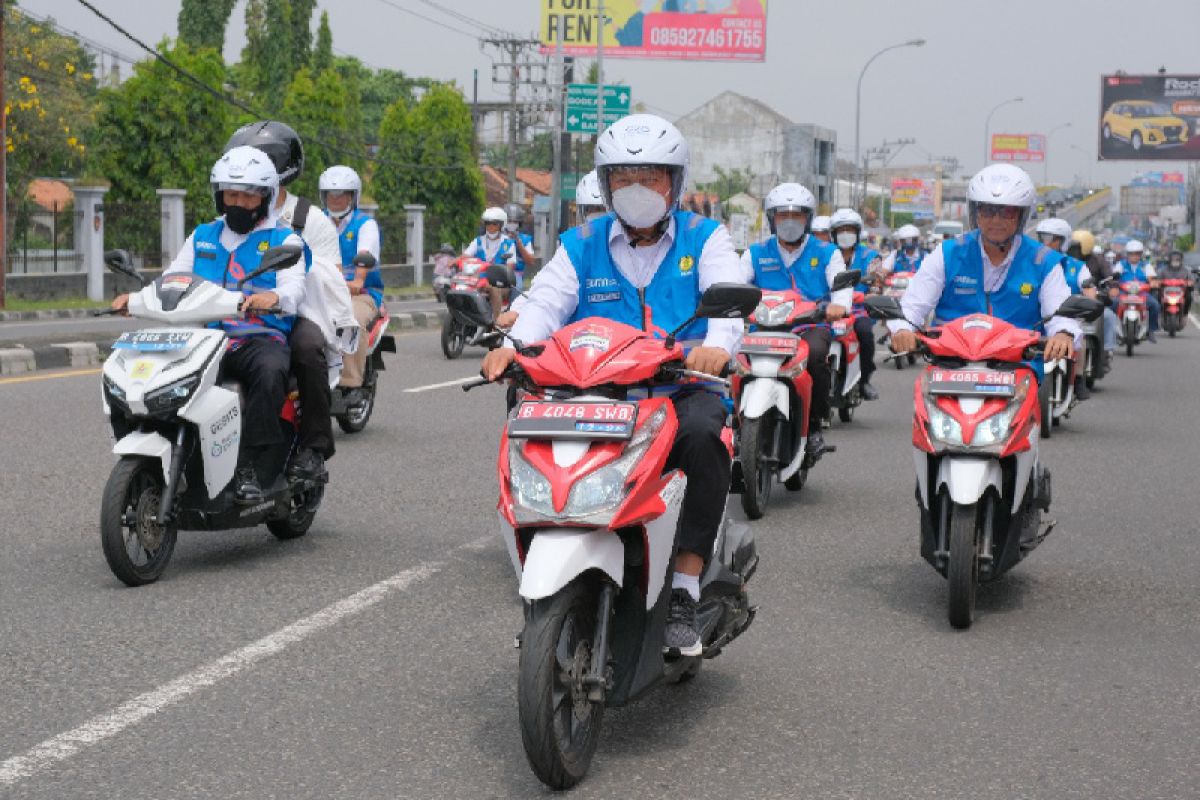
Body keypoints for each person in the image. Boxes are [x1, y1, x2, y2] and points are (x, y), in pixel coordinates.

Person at [481, 114, 747, 656]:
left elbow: (728, 297)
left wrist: (718, 345)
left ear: (674, 182)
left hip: (680, 388)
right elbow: (545, 302)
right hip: (598, 394)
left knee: (704, 435)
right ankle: (542, 594)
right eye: (624, 179)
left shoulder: (706, 238)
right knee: (527, 424)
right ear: (605, 185)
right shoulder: (581, 244)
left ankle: (684, 588)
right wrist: (514, 347)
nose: (638, 190)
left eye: (651, 177)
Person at [112, 147, 309, 503]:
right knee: (148, 375)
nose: (237, 202)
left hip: (256, 337)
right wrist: (137, 299)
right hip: (201, 337)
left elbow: (294, 289)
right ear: (219, 196)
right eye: (230, 194)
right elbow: (172, 278)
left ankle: (251, 466)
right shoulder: (202, 235)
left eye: (247, 195)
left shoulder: (284, 241)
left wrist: (274, 299)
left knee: (270, 371)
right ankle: (162, 456)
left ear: (264, 198)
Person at [223, 121, 354, 482]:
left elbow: (330, 281)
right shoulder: (229, 218)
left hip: (298, 311)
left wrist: (282, 292)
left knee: (309, 350)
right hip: (239, 314)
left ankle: (313, 448)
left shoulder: (309, 220)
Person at [888, 164, 1080, 370]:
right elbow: (913, 306)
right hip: (950, 366)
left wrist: (1062, 334)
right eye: (988, 210)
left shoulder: (1045, 261)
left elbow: (1059, 313)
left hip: (1016, 368)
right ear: (976, 213)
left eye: (1007, 212)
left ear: (1021, 216)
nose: (996, 220)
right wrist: (902, 329)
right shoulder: (947, 253)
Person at [740, 182, 846, 456]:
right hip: (763, 327)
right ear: (772, 220)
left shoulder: (827, 252)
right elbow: (735, 285)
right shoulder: (755, 253)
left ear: (808, 219)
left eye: (796, 216)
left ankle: (814, 426)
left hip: (808, 326)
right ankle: (734, 423)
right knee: (732, 360)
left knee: (816, 356)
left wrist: (839, 305)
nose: (789, 222)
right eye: (782, 215)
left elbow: (841, 286)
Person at [319, 165, 383, 403]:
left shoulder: (365, 225)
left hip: (359, 294)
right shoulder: (316, 222)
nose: (335, 200)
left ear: (353, 196)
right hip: (321, 292)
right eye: (330, 195)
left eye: (342, 195)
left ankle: (351, 382)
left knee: (352, 319)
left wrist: (358, 280)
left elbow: (365, 254)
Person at [1036, 218, 1093, 399]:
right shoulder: (1030, 263)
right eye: (1041, 238)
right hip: (1038, 318)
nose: (1045, 243)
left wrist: (1089, 300)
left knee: (1080, 341)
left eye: (1050, 238)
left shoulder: (1077, 267)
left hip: (1068, 317)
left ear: (1063, 241)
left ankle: (1078, 379)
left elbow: (1089, 290)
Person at [828, 208, 880, 400]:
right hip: (829, 309)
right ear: (833, 234)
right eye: (841, 230)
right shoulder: (825, 254)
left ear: (857, 233)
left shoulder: (870, 257)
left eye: (850, 229)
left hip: (857, 311)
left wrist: (866, 294)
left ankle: (864, 379)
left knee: (865, 335)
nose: (845, 234)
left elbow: (876, 283)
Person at [465, 207, 523, 318]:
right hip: (477, 280)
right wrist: (455, 261)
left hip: (500, 283)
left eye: (494, 224)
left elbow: (510, 266)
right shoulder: (478, 241)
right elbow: (466, 256)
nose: (490, 227)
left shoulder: (508, 243)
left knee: (494, 289)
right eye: (488, 223)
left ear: (501, 225)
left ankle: (496, 322)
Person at [1112, 239, 1159, 343]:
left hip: (1142, 294)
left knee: (1155, 305)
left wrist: (1152, 282)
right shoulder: (1121, 264)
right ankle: (1113, 330)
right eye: (1131, 254)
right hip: (1124, 293)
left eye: (1137, 254)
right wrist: (1114, 283)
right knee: (1112, 304)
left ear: (1141, 254)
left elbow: (1152, 278)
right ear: (1127, 254)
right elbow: (1114, 276)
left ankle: (1151, 330)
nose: (1134, 256)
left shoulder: (1146, 265)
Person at [504, 205, 537, 290]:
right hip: (496, 271)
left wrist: (518, 242)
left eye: (515, 222)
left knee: (517, 287)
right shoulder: (498, 237)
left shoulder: (525, 239)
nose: (511, 224)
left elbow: (530, 261)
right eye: (509, 221)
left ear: (519, 223)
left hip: (516, 274)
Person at [1156, 249, 1193, 316]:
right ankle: (1160, 311)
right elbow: (1157, 280)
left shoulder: (1186, 270)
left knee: (1189, 297)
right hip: (1166, 291)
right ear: (1170, 259)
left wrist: (1190, 283)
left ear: (1181, 259)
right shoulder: (1163, 270)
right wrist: (1158, 282)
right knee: (1156, 295)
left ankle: (1185, 312)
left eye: (1177, 258)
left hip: (1181, 292)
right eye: (1173, 258)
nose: (1175, 260)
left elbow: (1191, 280)